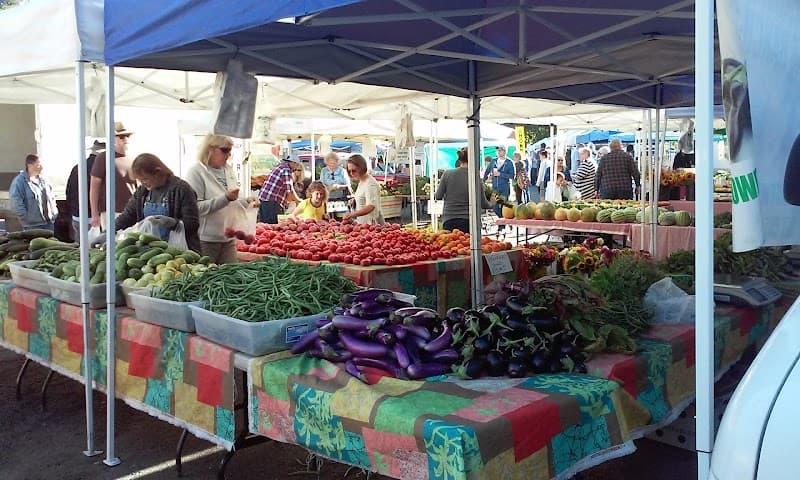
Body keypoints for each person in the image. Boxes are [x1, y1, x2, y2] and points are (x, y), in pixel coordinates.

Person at [184, 134, 257, 264]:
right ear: (210, 149)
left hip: (228, 238)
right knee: (207, 279)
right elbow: (195, 208)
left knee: (230, 279)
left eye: (230, 150)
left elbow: (232, 200)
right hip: (206, 240)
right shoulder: (196, 172)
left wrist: (246, 201)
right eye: (225, 150)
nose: (229, 154)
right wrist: (225, 198)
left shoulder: (228, 170)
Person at [116, 153, 201, 252]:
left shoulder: (182, 189)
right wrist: (109, 232)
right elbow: (128, 215)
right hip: (151, 251)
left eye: (146, 179)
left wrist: (174, 223)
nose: (143, 183)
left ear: (157, 172)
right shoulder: (143, 192)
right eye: (140, 180)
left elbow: (193, 223)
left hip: (180, 252)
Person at [90, 122, 137, 229]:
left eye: (127, 136)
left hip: (132, 213)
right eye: (121, 136)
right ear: (113, 139)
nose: (125, 139)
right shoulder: (103, 158)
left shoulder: (134, 160)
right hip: (111, 213)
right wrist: (94, 214)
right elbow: (94, 187)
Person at [434, 148, 494, 233]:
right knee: (466, 245)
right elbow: (483, 204)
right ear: (474, 159)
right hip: (469, 221)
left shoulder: (447, 173)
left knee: (450, 245)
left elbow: (438, 196)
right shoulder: (475, 177)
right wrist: (492, 203)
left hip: (449, 219)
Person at [9, 154, 57, 231]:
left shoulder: (44, 180)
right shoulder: (19, 182)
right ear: (29, 165)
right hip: (32, 226)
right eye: (38, 165)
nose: (41, 167)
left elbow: (52, 197)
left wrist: (54, 212)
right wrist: (26, 218)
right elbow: (15, 203)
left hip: (49, 223)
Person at [66, 140, 103, 241]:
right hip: (94, 218)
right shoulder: (102, 168)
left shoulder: (77, 167)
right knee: (96, 251)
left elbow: (68, 192)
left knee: (79, 251)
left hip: (77, 216)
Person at [257, 154, 302, 223]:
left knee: (265, 224)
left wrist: (293, 200)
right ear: (293, 163)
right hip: (271, 200)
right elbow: (289, 190)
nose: (296, 168)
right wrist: (297, 201)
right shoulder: (286, 170)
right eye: (297, 165)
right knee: (271, 224)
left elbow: (289, 188)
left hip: (265, 199)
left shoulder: (281, 167)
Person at [342, 154, 383, 224]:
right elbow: (364, 198)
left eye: (354, 170)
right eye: (349, 171)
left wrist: (352, 214)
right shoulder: (362, 181)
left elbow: (371, 206)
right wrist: (355, 200)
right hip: (364, 224)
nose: (351, 173)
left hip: (372, 224)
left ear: (361, 168)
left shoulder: (370, 183)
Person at [481, 146, 515, 218]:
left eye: (500, 150)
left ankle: (502, 224)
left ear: (505, 151)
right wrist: (483, 181)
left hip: (504, 187)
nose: (499, 152)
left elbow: (512, 176)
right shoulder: (494, 161)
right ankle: (501, 219)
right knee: (495, 207)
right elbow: (487, 171)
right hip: (495, 188)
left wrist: (501, 174)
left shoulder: (509, 162)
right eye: (498, 150)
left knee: (504, 206)